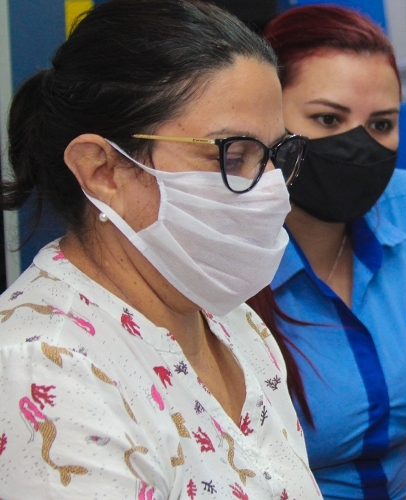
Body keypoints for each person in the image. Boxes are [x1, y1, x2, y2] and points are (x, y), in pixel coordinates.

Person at [0, 1, 320, 498]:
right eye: (233, 155)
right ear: (102, 169)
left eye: (277, 155)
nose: (271, 189)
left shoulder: (231, 320)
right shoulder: (45, 369)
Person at [250, 5, 406, 499]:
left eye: (381, 124)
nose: (360, 145)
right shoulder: (218, 250)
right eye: (327, 118)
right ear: (266, 120)